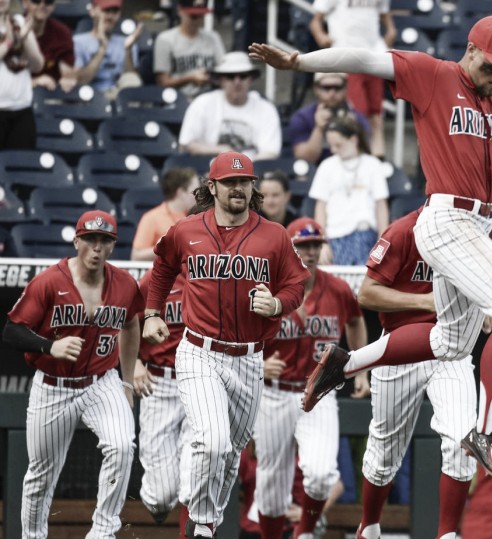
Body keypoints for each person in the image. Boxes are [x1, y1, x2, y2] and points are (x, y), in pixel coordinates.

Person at [249, 14, 492, 488]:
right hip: (447, 217)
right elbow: (365, 58)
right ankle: (490, 433)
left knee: (451, 342)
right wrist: (298, 62)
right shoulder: (432, 73)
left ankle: (345, 362)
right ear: (471, 49)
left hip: (475, 223)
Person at [142, 151, 310, 539]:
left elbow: (296, 284)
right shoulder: (186, 229)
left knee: (230, 455)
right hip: (200, 351)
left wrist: (278, 303)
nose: (238, 188)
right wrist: (152, 313)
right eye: (230, 182)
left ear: (253, 187)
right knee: (212, 442)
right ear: (212, 186)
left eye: (244, 181)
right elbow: (163, 267)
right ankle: (200, 525)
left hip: (250, 358)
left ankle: (206, 523)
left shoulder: (274, 234)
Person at [2, 209, 143, 539]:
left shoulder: (124, 284)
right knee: (41, 474)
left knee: (122, 446)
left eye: (105, 241)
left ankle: (103, 532)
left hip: (101, 381)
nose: (97, 248)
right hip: (55, 385)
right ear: (77, 240)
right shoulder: (50, 281)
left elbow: (132, 322)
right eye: (91, 239)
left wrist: (125, 378)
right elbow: (12, 330)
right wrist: (48, 347)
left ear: (112, 246)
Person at [356, 207, 478, 539]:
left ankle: (448, 533)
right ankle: (369, 525)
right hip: (400, 346)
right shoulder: (403, 229)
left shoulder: (471, 230)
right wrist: (427, 302)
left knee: (462, 438)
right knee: (384, 454)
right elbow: (367, 293)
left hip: (450, 348)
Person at [253, 216, 369, 539]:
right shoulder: (270, 289)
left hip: (319, 391)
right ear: (289, 248)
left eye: (316, 244)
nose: (311, 251)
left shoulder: (339, 289)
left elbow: (357, 322)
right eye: (303, 245)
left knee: (320, 475)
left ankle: (303, 533)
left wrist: (361, 369)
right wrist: (256, 366)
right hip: (274, 392)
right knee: (272, 488)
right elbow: (243, 335)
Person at [135, 269, 193, 532]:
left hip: (200, 379)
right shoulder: (155, 278)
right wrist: (135, 362)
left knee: (195, 476)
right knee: (160, 497)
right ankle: (161, 505)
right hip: (160, 380)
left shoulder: (216, 273)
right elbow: (125, 322)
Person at [309, 0, 395, 159]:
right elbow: (316, 20)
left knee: (376, 113)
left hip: (374, 55)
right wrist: (321, 36)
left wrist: (391, 30)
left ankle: (378, 158)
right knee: (358, 112)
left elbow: (384, 13)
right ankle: (362, 156)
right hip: (348, 57)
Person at [308, 116, 389, 265]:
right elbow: (320, 207)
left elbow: (381, 205)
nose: (333, 150)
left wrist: (382, 241)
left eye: (338, 145)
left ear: (353, 140)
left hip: (366, 235)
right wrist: (322, 241)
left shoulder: (373, 165)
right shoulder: (326, 166)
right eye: (331, 145)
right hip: (335, 236)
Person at [178, 52, 282, 159]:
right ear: (221, 80)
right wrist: (220, 150)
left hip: (253, 172)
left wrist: (245, 168)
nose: (237, 82)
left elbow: (270, 152)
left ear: (251, 80)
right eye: (230, 76)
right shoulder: (202, 104)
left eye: (243, 76)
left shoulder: (266, 109)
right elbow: (186, 144)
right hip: (209, 170)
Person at [288, 71, 371, 165]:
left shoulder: (356, 118)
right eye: (326, 88)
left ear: (345, 87)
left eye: (337, 87)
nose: (332, 93)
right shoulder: (302, 117)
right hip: (313, 172)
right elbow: (304, 161)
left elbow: (365, 157)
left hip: (349, 169)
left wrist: (354, 129)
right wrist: (318, 128)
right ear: (316, 88)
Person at [153, 0, 225, 100]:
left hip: (210, 96)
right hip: (178, 99)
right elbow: (162, 82)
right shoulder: (165, 39)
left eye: (201, 15)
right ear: (180, 11)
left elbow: (224, 72)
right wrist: (190, 78)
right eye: (193, 16)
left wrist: (211, 78)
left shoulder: (213, 37)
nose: (197, 20)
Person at [73, 0, 143, 98]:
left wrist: (128, 50)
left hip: (118, 95)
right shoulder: (78, 42)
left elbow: (132, 84)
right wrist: (102, 48)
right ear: (93, 11)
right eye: (106, 11)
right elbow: (80, 81)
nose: (110, 16)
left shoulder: (127, 42)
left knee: (132, 79)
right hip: (89, 96)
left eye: (114, 12)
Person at [130, 166, 199, 261]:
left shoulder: (196, 217)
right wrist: (165, 247)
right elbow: (136, 257)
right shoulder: (152, 217)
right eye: (195, 191)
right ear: (181, 192)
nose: (198, 196)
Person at [0, 0, 44, 150]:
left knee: (21, 167)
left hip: (21, 110)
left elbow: (38, 65)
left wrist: (24, 39)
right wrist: (9, 44)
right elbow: (8, 45)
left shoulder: (18, 22)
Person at [22, 0, 76, 92]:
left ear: (54, 5)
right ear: (24, 3)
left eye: (48, 1)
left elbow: (67, 74)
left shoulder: (62, 32)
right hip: (15, 98)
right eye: (36, 1)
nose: (42, 5)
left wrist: (67, 80)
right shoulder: (13, 28)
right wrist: (34, 82)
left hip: (49, 94)